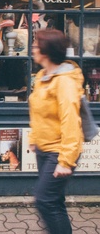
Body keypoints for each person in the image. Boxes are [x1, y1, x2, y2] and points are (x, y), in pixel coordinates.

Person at [29, 29, 84, 234]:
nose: (32, 49)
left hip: (59, 152)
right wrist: (34, 138)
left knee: (44, 200)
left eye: (35, 46)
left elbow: (71, 121)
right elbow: (37, 111)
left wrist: (66, 160)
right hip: (44, 148)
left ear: (46, 50)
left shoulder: (64, 81)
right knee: (54, 201)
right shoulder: (43, 75)